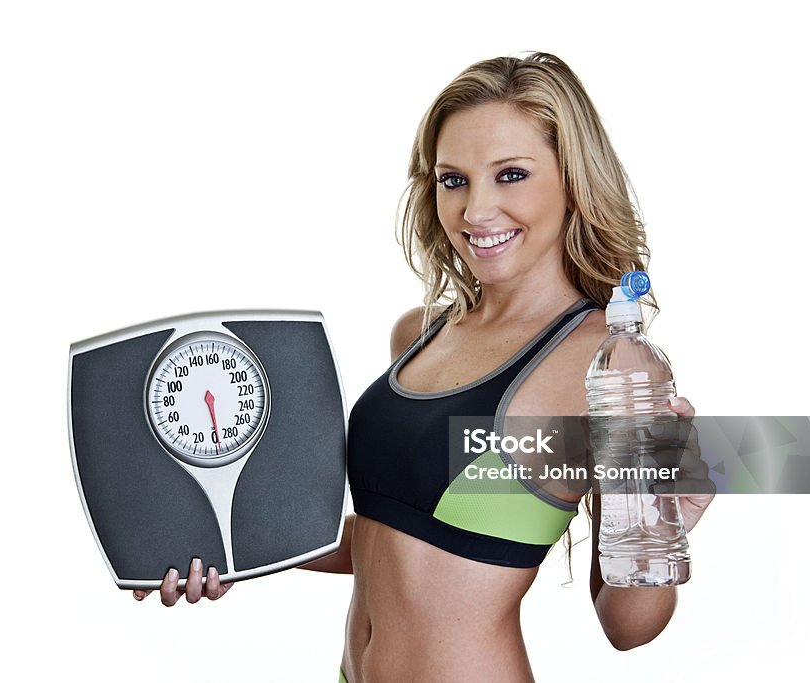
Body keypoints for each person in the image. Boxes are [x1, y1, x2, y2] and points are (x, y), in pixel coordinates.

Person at [133, 52, 715, 683]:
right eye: (454, 179)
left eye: (511, 174)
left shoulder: (601, 366)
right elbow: (391, 545)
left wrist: (665, 524)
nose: (475, 210)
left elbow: (627, 627)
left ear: (572, 180)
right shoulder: (418, 334)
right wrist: (224, 546)